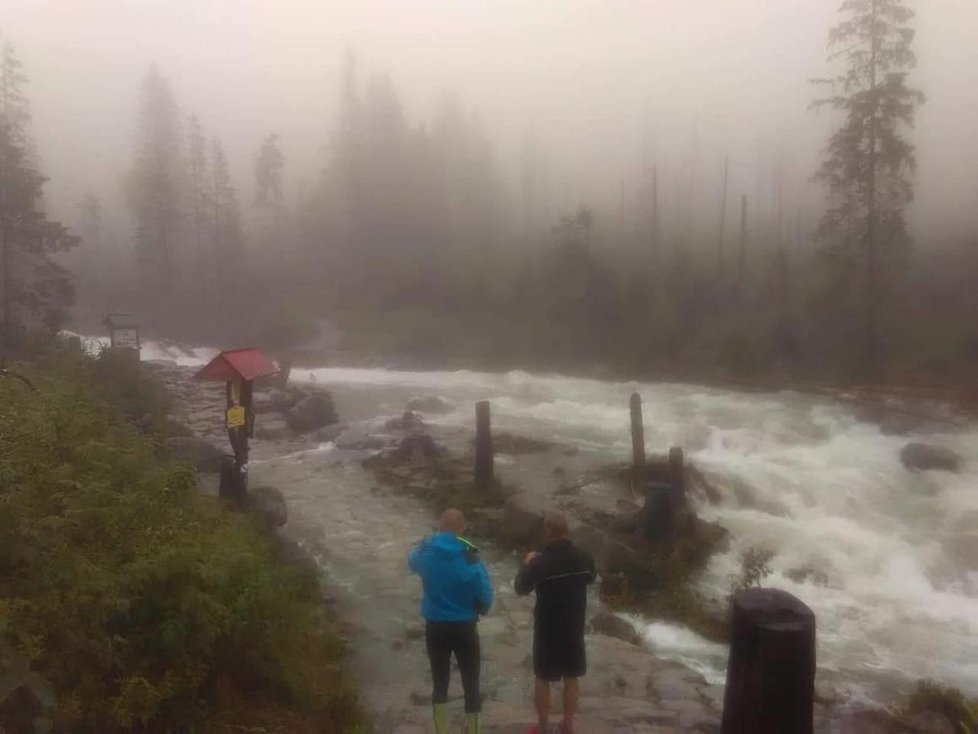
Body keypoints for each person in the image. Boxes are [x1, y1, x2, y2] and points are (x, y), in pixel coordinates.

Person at [409, 508, 493, 734]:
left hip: (435, 626)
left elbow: (411, 561)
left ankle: (441, 730)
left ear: (440, 525)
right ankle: (472, 730)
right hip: (464, 627)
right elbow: (485, 596)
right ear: (463, 528)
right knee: (471, 684)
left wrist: (425, 541)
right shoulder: (470, 554)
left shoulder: (427, 552)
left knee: (439, 684)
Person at [515, 511, 596, 734]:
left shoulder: (540, 563)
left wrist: (528, 562)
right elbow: (591, 578)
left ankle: (542, 727)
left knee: (542, 677)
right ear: (567, 531)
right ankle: (567, 725)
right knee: (572, 676)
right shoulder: (584, 557)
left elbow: (520, 588)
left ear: (547, 532)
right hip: (574, 626)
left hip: (547, 628)